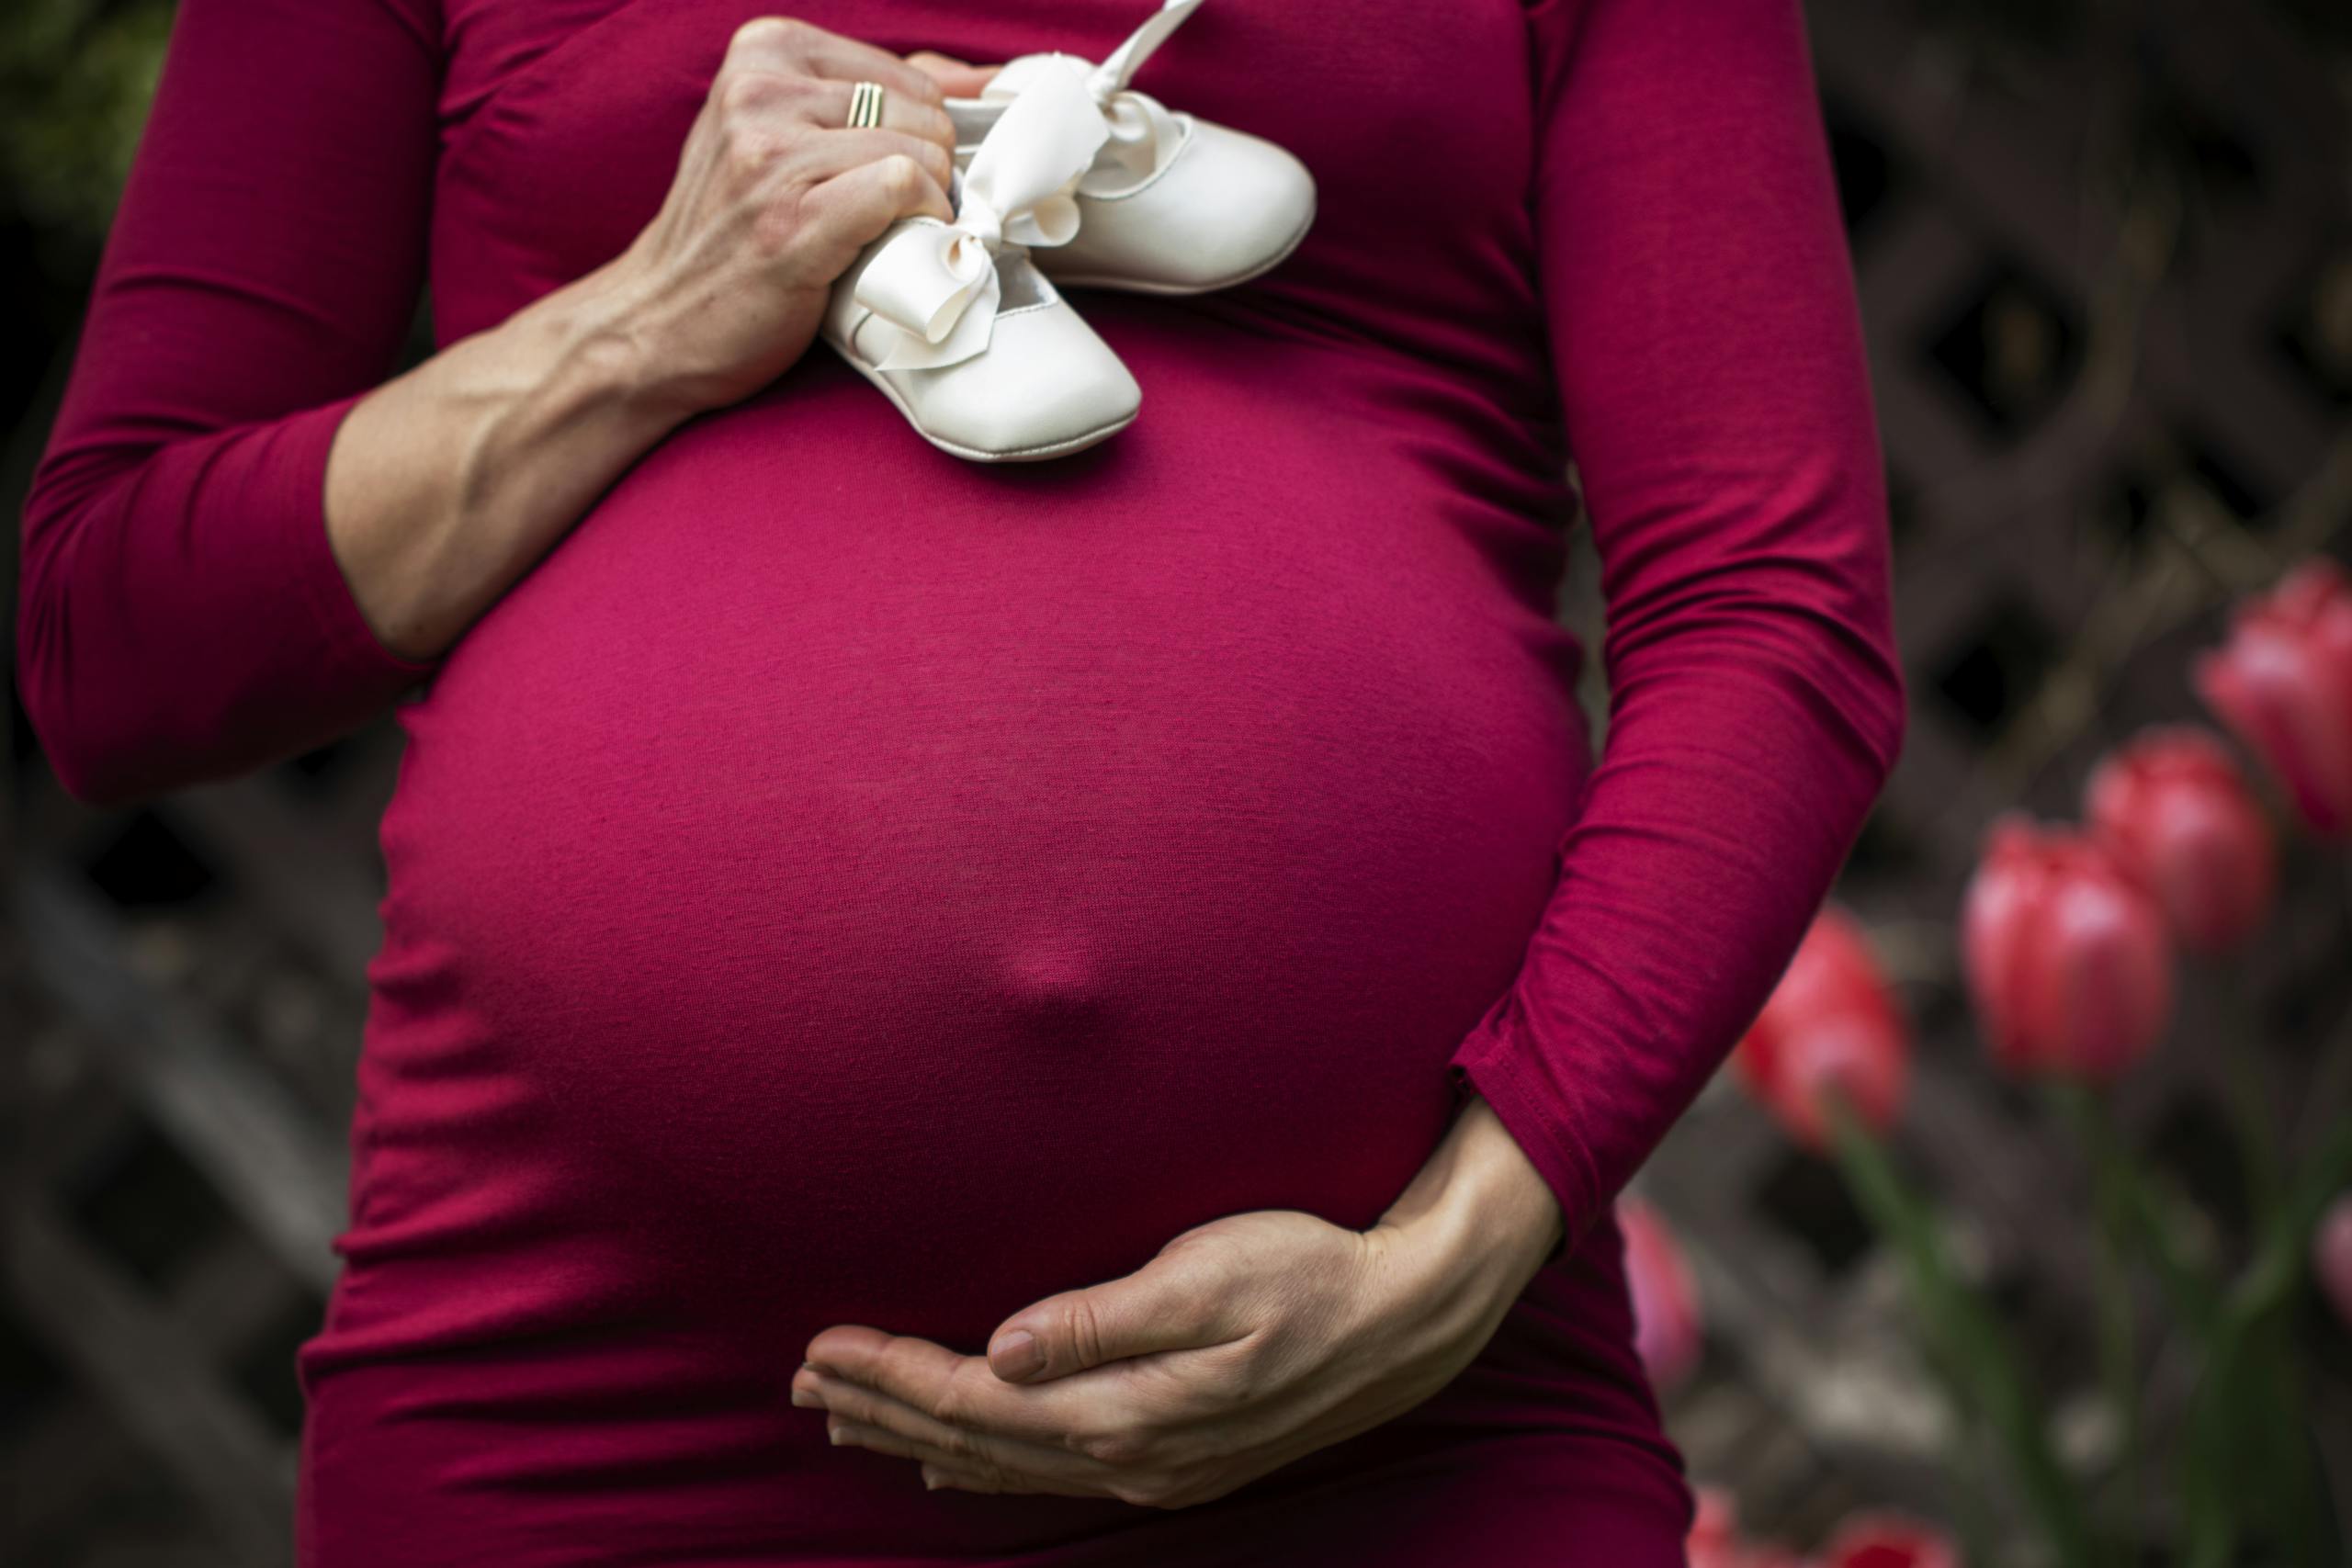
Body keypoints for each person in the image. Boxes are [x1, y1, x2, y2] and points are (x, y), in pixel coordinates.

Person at [15, 0, 1906, 1562]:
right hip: (587, 1403)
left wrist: (1456, 1251)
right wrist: (651, 316)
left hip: (1399, 1419)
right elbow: (119, 636)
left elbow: (1770, 608)